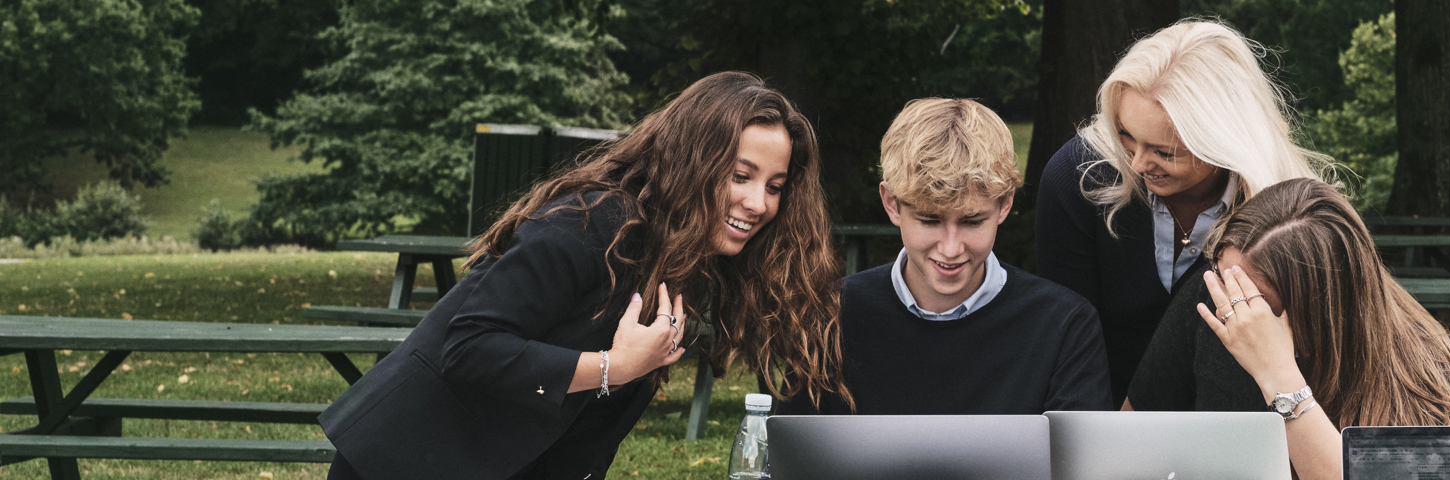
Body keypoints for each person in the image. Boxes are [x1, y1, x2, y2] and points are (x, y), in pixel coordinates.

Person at [318, 71, 851, 480]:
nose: (758, 203)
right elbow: (468, 347)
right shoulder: (587, 223)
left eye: (775, 185)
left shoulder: (691, 259)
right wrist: (612, 366)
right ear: (694, 160)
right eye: (740, 176)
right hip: (406, 462)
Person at [1034, 19, 1329, 405]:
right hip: (1104, 422)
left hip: (1247, 424)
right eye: (1125, 134)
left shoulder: (1287, 212)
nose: (1138, 164)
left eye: (1164, 151)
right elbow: (1065, 340)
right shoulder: (1079, 180)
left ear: (1224, 138)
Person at [1126, 178, 1450, 478]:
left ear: (1320, 310)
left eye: (1252, 300)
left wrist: (1279, 376)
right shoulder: (1215, 298)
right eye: (1223, 280)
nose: (1231, 308)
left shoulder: (1414, 363)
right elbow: (1128, 436)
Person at [779, 98, 1111, 415]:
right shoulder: (828, 315)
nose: (950, 249)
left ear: (1005, 204)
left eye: (972, 222)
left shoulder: (1065, 325)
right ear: (892, 203)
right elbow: (786, 458)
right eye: (930, 220)